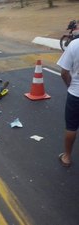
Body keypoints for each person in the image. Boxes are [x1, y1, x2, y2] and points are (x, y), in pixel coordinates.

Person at [57, 38, 79, 167]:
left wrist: (69, 85)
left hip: (76, 94)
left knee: (71, 127)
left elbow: (64, 72)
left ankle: (67, 157)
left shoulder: (75, 44)